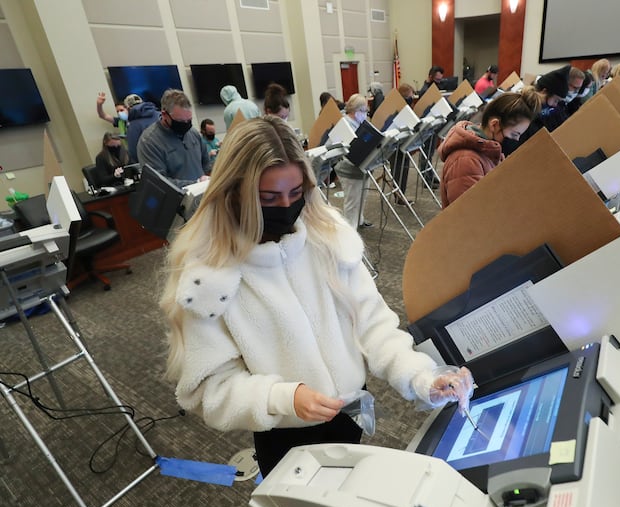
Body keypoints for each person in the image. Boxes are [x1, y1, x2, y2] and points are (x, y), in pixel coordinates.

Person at [159, 116, 474, 477]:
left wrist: (422, 376)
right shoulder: (209, 278)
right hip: (285, 435)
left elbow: (373, 327)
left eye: (296, 194)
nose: (287, 206)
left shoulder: (326, 237)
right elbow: (211, 389)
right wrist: (285, 398)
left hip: (348, 414)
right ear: (235, 193)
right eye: (268, 198)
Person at [438, 93, 533, 208]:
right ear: (494, 125)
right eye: (514, 134)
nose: (516, 140)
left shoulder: (489, 151)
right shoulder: (465, 160)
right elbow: (468, 214)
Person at [137, 89, 210, 188]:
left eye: (189, 120)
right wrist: (195, 184)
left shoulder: (192, 133)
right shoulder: (149, 142)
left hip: (201, 194)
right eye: (180, 121)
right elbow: (158, 182)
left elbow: (206, 163)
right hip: (176, 200)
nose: (185, 125)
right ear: (164, 115)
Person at [333, 94, 372, 229]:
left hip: (362, 166)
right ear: (357, 111)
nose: (366, 114)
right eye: (364, 111)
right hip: (348, 168)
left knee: (362, 196)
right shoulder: (344, 124)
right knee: (352, 200)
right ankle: (350, 228)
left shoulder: (359, 123)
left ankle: (359, 220)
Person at [391, 83, 416, 205]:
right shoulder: (397, 108)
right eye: (410, 97)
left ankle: (402, 195)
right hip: (395, 145)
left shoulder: (406, 108)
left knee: (404, 169)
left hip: (404, 143)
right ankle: (398, 196)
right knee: (398, 170)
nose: (412, 99)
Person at [123, 93, 160, 163]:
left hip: (151, 163)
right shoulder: (160, 115)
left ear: (128, 108)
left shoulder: (133, 126)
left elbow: (134, 152)